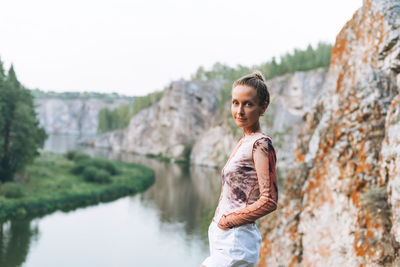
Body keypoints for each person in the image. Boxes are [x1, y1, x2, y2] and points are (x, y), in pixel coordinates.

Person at [200, 71, 279, 267]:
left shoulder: (261, 144)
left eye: (248, 104)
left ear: (263, 107)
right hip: (223, 237)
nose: (239, 111)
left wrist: (228, 220)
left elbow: (269, 200)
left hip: (236, 240)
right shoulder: (245, 141)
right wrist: (220, 224)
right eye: (236, 102)